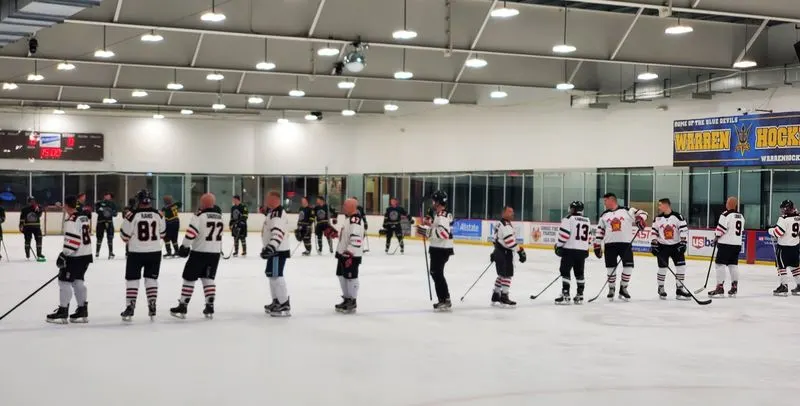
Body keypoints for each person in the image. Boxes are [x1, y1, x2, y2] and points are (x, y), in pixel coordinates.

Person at [170, 193, 223, 319]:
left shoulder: (199, 216)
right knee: (208, 278)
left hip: (199, 252)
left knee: (189, 278)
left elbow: (191, 233)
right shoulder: (219, 217)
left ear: (203, 203)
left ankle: (183, 305)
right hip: (214, 253)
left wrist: (184, 247)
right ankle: (210, 305)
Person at [120, 190, 166, 321]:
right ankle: (152, 304)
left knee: (132, 279)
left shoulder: (132, 215)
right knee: (151, 279)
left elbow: (124, 237)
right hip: (155, 252)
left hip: (136, 253)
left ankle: (130, 307)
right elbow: (162, 234)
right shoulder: (159, 215)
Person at [46, 196, 93, 324]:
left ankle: (63, 311)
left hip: (75, 256)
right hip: (86, 254)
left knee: (64, 281)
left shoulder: (71, 220)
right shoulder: (83, 217)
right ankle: (82, 310)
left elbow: (73, 240)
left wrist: (64, 255)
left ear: (66, 205)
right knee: (78, 281)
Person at [593, 193, 647, 301]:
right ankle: (611, 288)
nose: (604, 203)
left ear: (611, 200)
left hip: (625, 244)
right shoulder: (604, 215)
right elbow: (600, 230)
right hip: (610, 245)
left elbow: (644, 213)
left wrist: (640, 219)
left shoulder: (627, 210)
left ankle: (623, 287)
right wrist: (597, 244)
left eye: (605, 201)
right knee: (610, 268)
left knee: (628, 267)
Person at [417, 191, 454, 311]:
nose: (432, 203)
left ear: (438, 202)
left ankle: (444, 299)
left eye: (434, 201)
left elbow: (443, 233)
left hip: (441, 249)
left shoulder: (442, 216)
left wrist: (426, 231)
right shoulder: (441, 215)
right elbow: (439, 229)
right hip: (440, 248)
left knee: (436, 273)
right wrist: (430, 225)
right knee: (436, 273)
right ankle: (444, 299)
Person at [650, 198, 691, 300]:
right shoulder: (658, 218)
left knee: (681, 267)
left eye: (660, 205)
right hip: (662, 247)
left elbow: (683, 230)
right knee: (662, 268)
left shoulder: (677, 216)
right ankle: (661, 288)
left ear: (666, 205)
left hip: (676, 246)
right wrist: (654, 244)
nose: (659, 207)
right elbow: (654, 232)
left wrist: (683, 243)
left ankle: (680, 289)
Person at [261, 191, 291, 317]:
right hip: (275, 250)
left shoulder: (277, 214)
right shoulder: (272, 212)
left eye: (268, 199)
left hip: (277, 250)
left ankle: (284, 304)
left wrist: (271, 246)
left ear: (275, 199)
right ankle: (277, 301)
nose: (266, 201)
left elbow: (278, 232)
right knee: (272, 275)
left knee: (277, 276)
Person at [709, 197, 745, 298]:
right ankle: (734, 287)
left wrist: (716, 237)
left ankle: (720, 287)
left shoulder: (725, 215)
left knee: (719, 265)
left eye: (727, 203)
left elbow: (721, 229)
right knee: (733, 265)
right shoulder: (741, 216)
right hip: (737, 244)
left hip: (725, 244)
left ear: (728, 204)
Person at [554, 201, 590, 305]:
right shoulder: (587, 220)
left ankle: (566, 295)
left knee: (565, 271)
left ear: (573, 209)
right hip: (582, 251)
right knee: (579, 273)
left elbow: (564, 236)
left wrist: (558, 246)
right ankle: (580, 295)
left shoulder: (568, 219)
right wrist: (585, 248)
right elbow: (589, 237)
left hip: (569, 250)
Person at [491, 206, 526, 307]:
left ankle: (496, 294)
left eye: (513, 211)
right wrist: (520, 251)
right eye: (510, 211)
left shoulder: (499, 223)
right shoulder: (505, 225)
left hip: (499, 251)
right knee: (507, 275)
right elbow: (509, 242)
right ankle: (504, 296)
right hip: (505, 253)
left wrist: (495, 251)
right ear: (503, 213)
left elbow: (495, 239)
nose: (512, 213)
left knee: (501, 274)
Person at [334, 198, 364, 314]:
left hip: (351, 256)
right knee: (342, 276)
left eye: (346, 205)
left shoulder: (355, 220)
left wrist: (349, 254)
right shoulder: (349, 219)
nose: (343, 207)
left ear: (352, 206)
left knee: (351, 277)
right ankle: (347, 298)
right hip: (343, 254)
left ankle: (352, 300)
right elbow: (347, 235)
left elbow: (356, 239)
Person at [769, 200, 800, 296]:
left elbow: (778, 233)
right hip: (795, 247)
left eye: (783, 208)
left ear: (786, 209)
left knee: (781, 267)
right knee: (795, 267)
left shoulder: (783, 219)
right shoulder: (798, 218)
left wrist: (771, 230)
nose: (782, 210)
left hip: (783, 248)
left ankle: (784, 286)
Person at [19, 196, 45, 261]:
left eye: (33, 201)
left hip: (37, 227)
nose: (32, 202)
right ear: (28, 202)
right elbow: (22, 218)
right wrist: (21, 226)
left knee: (39, 239)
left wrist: (38, 210)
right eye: (31, 201)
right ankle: (27, 254)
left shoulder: (38, 207)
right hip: (27, 227)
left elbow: (39, 215)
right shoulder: (24, 209)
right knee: (27, 240)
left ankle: (39, 254)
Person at [94, 192, 118, 259]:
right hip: (101, 222)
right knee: (99, 237)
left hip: (109, 222)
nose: (108, 197)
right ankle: (97, 252)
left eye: (109, 196)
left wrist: (110, 212)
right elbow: (97, 211)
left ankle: (110, 252)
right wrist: (104, 210)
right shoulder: (99, 203)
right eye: (107, 196)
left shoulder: (113, 204)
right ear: (104, 196)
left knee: (110, 237)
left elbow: (115, 213)